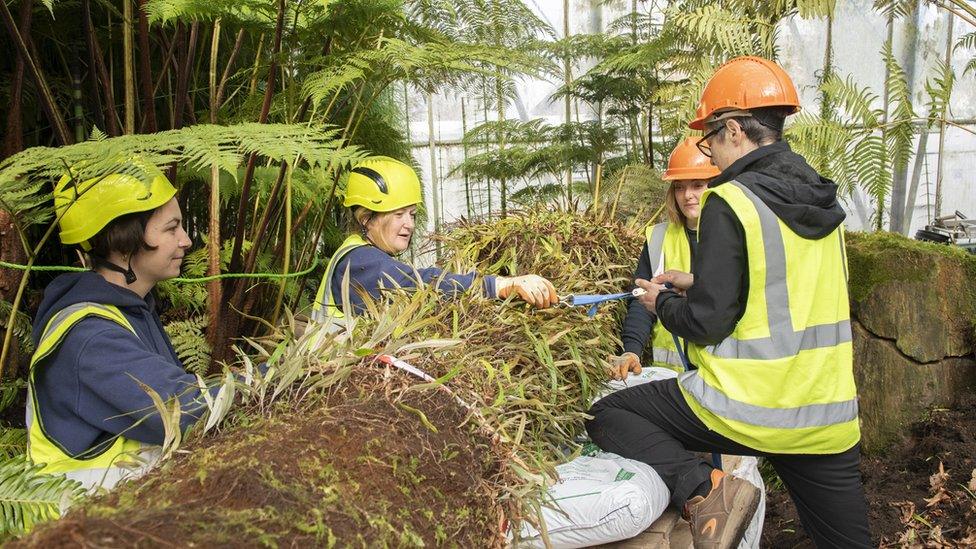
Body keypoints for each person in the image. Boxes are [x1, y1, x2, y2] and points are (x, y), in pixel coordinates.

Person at [586, 56, 870, 548]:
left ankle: (708, 492)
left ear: (734, 130)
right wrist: (699, 281)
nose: (709, 156)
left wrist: (660, 304)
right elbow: (781, 287)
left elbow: (707, 323)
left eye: (710, 139)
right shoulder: (823, 199)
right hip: (824, 413)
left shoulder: (733, 199)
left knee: (607, 415)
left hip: (750, 405)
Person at [27, 161, 210, 491]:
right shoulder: (89, 338)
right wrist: (274, 377)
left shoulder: (131, 311)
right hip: (76, 527)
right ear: (126, 241)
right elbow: (181, 410)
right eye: (171, 229)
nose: (185, 241)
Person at [310, 157, 558, 328]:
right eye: (399, 215)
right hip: (319, 385)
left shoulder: (360, 250)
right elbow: (420, 284)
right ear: (366, 219)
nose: (409, 224)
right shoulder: (360, 262)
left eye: (412, 214)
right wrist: (499, 286)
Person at [608, 137, 720, 380]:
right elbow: (641, 300)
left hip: (720, 377)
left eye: (697, 185)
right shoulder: (659, 237)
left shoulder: (732, 235)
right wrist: (632, 351)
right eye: (679, 187)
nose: (687, 195)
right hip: (670, 377)